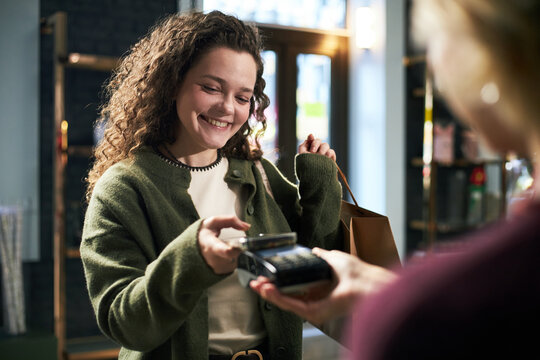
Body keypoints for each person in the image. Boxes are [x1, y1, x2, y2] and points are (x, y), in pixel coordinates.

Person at [250, 0, 540, 358]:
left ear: (494, 64)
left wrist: (399, 302)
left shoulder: (417, 321)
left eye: (435, 41)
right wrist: (382, 286)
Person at [81, 10, 342, 360]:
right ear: (172, 83)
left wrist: (319, 182)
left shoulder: (258, 174)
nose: (226, 108)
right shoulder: (124, 188)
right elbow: (125, 322)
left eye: (242, 96)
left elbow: (315, 264)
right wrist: (192, 258)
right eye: (211, 87)